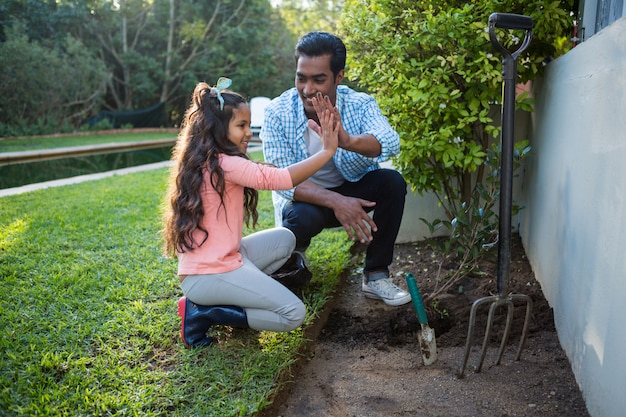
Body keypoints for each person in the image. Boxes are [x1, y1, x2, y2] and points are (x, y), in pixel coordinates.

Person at [163, 78, 339, 348]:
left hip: (219, 264)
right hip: (210, 276)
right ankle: (205, 312)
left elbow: (264, 172)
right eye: (241, 126)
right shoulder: (226, 165)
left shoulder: (212, 162)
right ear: (219, 129)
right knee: (294, 314)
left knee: (285, 239)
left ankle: (233, 296)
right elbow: (281, 179)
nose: (248, 132)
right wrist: (327, 151)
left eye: (248, 124)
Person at [261, 31, 411, 307]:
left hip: (354, 189)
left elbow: (390, 142)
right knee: (299, 214)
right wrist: (337, 201)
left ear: (338, 77)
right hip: (307, 201)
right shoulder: (276, 112)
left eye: (318, 79)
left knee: (392, 182)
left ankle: (376, 275)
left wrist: (348, 141)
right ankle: (293, 259)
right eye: (301, 78)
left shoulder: (359, 103)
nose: (307, 89)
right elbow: (281, 180)